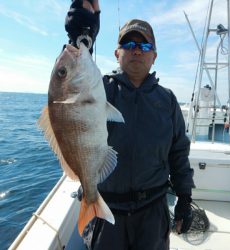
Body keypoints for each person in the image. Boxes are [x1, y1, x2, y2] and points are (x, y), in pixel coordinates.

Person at [65, 1, 195, 249]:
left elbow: (179, 153)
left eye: (145, 45)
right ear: (117, 53)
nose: (137, 50)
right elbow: (73, 79)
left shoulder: (167, 101)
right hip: (106, 212)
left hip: (153, 213)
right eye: (129, 44)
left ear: (154, 56)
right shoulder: (99, 90)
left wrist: (185, 199)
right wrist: (81, 34)